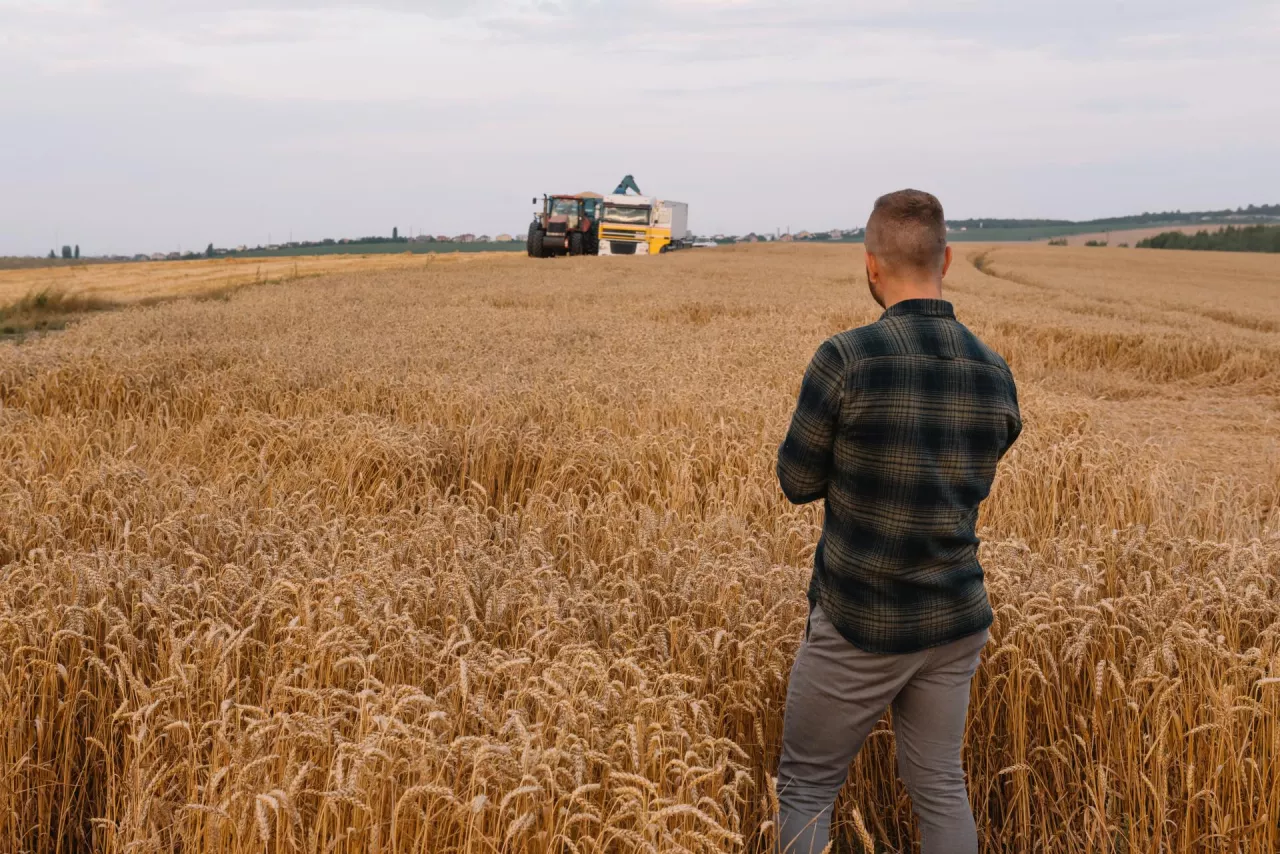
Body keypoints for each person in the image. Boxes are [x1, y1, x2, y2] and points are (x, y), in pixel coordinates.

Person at [775, 189, 1022, 853]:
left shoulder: (846, 359)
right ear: (948, 259)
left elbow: (795, 483)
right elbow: (983, 461)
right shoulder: (993, 371)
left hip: (861, 620)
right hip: (954, 618)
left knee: (806, 785)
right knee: (940, 784)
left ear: (871, 266)